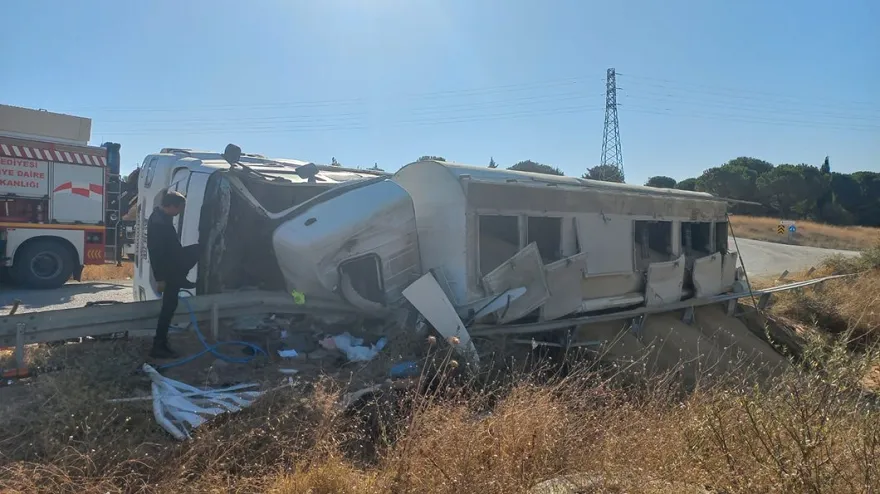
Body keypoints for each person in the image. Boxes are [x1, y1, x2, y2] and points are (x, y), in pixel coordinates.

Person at [147, 190, 200, 359]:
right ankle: (159, 345)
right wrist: (160, 278)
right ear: (170, 206)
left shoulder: (162, 218)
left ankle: (161, 343)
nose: (180, 212)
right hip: (168, 270)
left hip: (172, 267)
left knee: (170, 306)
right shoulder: (158, 223)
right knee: (168, 307)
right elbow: (154, 252)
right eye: (179, 209)